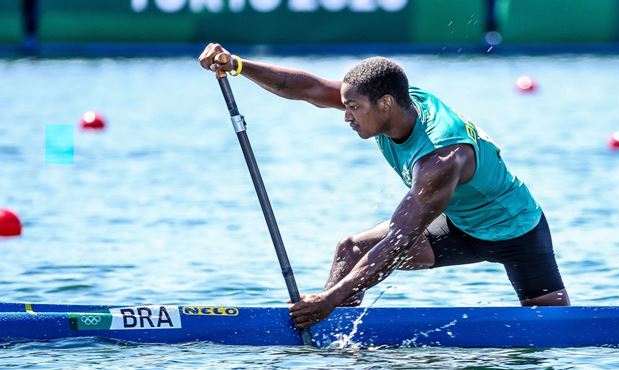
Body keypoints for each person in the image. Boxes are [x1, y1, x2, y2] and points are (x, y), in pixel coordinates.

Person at [199, 43, 570, 330]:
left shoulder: (440, 158)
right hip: (459, 224)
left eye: (353, 108)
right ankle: (333, 339)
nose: (346, 116)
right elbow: (310, 88)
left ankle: (324, 310)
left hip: (518, 232)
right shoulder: (389, 102)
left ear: (386, 103)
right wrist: (239, 66)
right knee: (351, 249)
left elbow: (397, 243)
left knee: (557, 331)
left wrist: (327, 297)